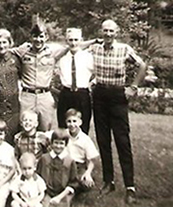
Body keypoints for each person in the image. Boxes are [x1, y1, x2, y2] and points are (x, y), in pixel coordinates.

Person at [89, 19, 147, 204]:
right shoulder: (95, 48)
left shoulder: (124, 49)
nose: (107, 34)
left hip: (117, 97)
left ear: (117, 32)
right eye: (105, 31)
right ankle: (108, 181)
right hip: (99, 96)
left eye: (111, 31)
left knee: (122, 141)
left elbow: (142, 65)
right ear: (101, 31)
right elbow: (74, 49)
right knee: (103, 140)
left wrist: (134, 86)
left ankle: (130, 186)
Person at [57, 28, 94, 134]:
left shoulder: (88, 57)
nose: (73, 43)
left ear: (81, 40)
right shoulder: (62, 58)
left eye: (76, 40)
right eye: (70, 40)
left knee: (83, 126)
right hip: (66, 93)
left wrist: (92, 82)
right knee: (63, 126)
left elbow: (99, 72)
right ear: (66, 41)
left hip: (82, 94)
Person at [36, 128, 78, 207]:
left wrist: (59, 197)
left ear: (65, 144)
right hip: (46, 192)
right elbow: (38, 177)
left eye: (61, 143)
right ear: (51, 143)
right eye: (56, 143)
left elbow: (73, 182)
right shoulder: (44, 158)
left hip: (63, 193)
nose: (58, 146)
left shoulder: (69, 161)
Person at [65, 108, 99, 192]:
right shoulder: (63, 134)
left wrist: (88, 172)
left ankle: (73, 185)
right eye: (69, 121)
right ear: (66, 122)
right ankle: (69, 186)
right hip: (65, 164)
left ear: (80, 122)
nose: (72, 124)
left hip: (78, 166)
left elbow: (93, 159)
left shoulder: (85, 139)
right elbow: (48, 135)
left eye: (74, 121)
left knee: (86, 184)